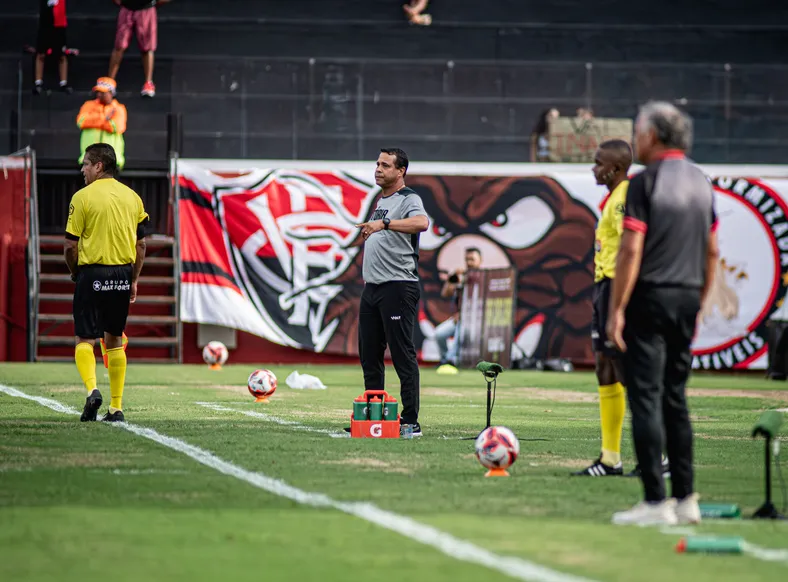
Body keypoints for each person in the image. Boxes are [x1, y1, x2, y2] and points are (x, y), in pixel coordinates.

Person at [607, 101, 719, 525]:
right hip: (688, 295)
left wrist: (616, 309)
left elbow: (632, 249)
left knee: (647, 398)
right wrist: (701, 298)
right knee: (676, 396)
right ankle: (686, 498)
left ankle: (655, 502)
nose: (636, 139)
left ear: (652, 136)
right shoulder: (700, 181)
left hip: (650, 296)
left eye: (638, 131)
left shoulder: (644, 182)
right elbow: (711, 250)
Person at [65, 143, 149, 423]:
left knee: (84, 339)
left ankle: (92, 390)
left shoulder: (82, 197)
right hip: (123, 275)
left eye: (86, 164)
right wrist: (134, 279)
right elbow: (141, 245)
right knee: (114, 340)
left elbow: (69, 246)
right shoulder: (133, 198)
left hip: (92, 273)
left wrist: (75, 271)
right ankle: (116, 408)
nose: (82, 169)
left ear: (99, 166)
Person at [354, 148, 429, 437]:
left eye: (385, 165)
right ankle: (375, 418)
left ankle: (410, 420)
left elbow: (422, 223)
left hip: (398, 286)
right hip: (372, 289)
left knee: (402, 354)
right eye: (377, 164)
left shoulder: (409, 198)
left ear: (401, 171)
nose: (378, 169)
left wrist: (383, 224)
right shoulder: (380, 201)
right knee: (369, 355)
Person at [108, 0, 171, 98]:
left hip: (146, 9)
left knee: (147, 47)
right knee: (119, 46)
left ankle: (148, 83)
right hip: (127, 8)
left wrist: (154, 3)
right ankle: (110, 82)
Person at [434, 247, 482, 373]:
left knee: (460, 329)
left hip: (477, 321)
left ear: (480, 260)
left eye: (472, 259)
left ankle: (451, 360)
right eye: (467, 259)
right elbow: (445, 293)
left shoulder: (483, 278)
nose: (469, 262)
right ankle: (445, 361)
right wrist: (453, 278)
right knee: (439, 334)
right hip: (459, 318)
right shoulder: (462, 276)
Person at [77, 78, 127, 172]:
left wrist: (94, 120)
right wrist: (105, 118)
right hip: (89, 160)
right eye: (98, 92)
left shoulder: (119, 108)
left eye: (103, 92)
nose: (99, 95)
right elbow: (81, 122)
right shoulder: (88, 105)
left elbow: (116, 127)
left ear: (111, 93)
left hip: (112, 161)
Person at [34, 0, 72, 95]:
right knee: (41, 53)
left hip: (59, 24)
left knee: (62, 55)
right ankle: (38, 83)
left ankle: (63, 83)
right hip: (45, 24)